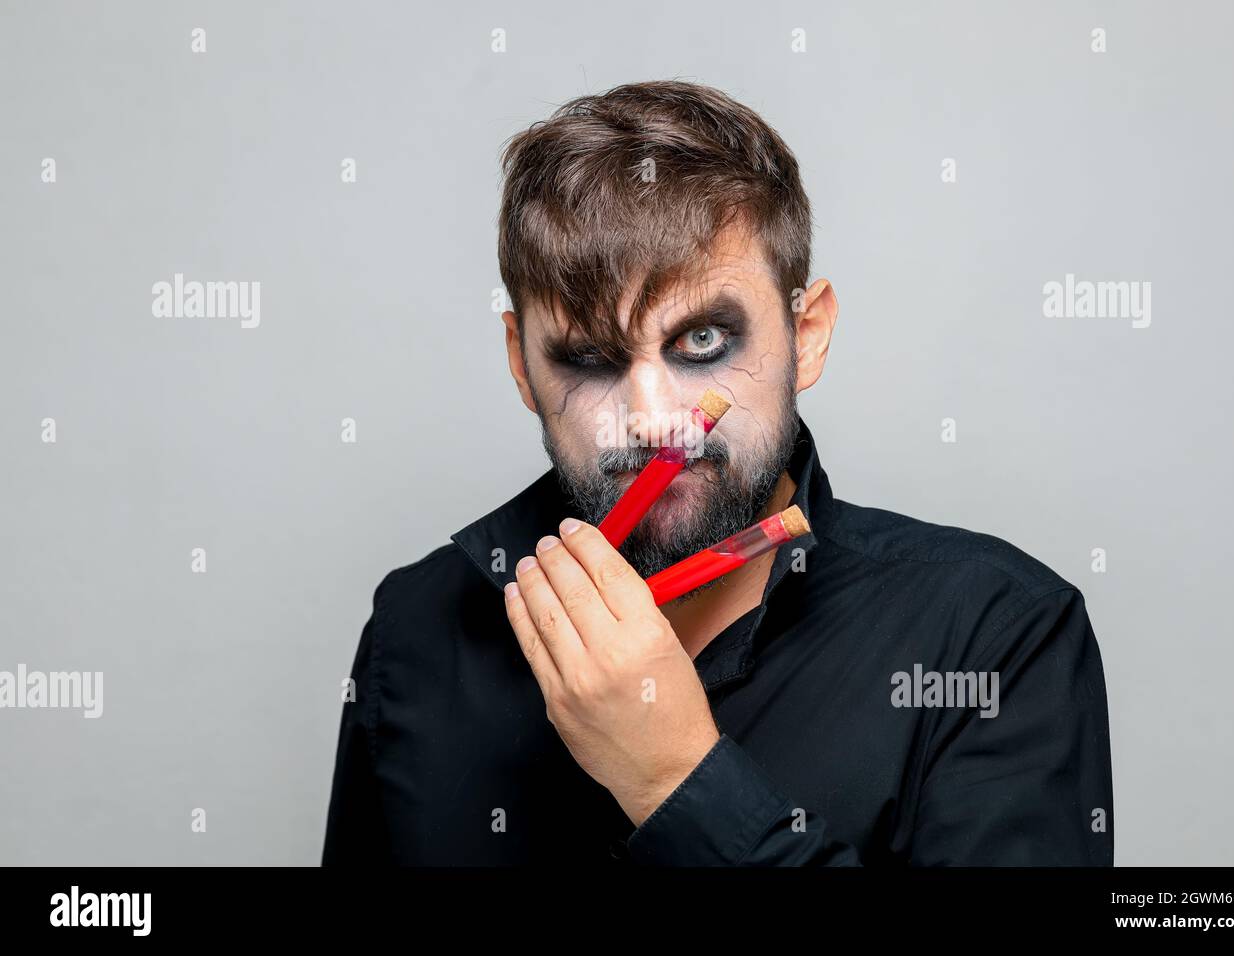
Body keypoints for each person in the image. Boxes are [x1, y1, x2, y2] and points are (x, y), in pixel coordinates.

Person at [322, 80, 1114, 866]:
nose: (654, 418)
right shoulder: (418, 628)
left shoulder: (994, 637)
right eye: (590, 358)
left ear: (806, 335)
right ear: (520, 364)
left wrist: (677, 780)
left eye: (703, 342)